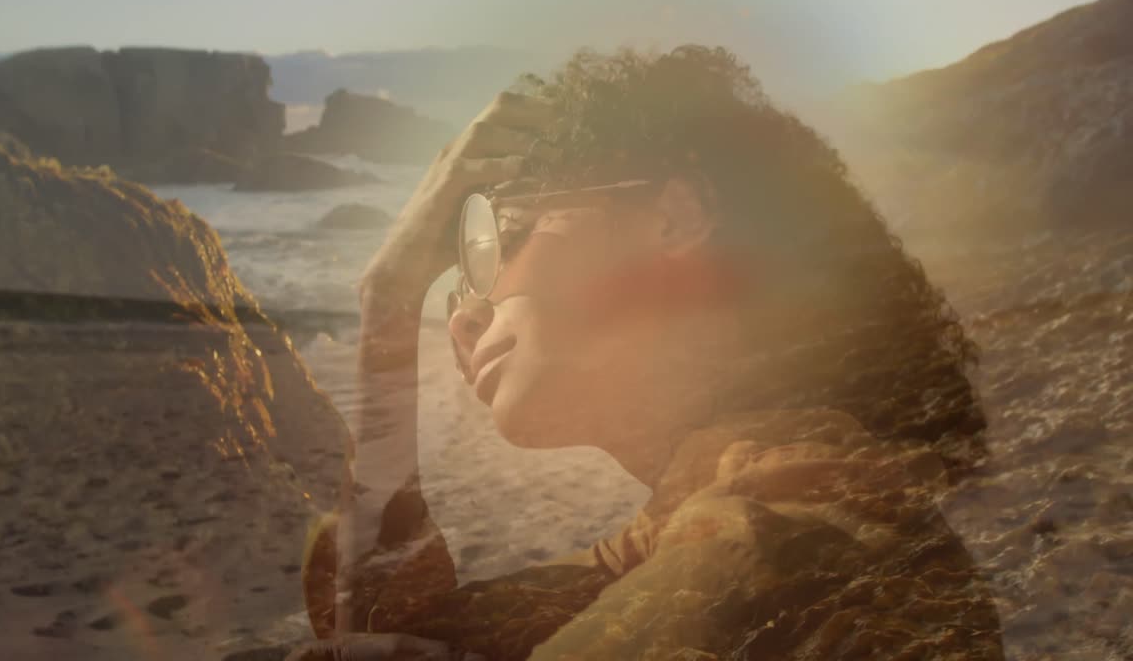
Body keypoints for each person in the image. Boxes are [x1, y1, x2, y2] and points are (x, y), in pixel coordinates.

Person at [287, 45, 1004, 660]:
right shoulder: (701, 512)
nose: (464, 314)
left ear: (672, 218)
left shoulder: (768, 539)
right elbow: (382, 626)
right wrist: (388, 299)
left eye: (496, 235)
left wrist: (386, 312)